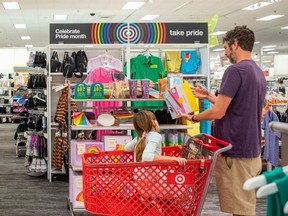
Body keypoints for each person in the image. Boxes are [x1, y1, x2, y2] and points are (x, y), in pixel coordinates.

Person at [179, 26, 266, 216]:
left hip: (235, 152)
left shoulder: (235, 71)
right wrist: (209, 96)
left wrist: (194, 117)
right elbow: (237, 106)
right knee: (243, 205)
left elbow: (218, 112)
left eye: (226, 48)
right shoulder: (257, 72)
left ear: (235, 45)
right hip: (251, 151)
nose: (225, 54)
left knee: (242, 210)